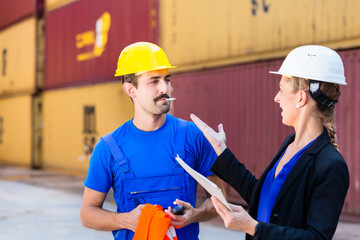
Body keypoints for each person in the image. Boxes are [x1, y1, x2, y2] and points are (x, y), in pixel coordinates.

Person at [190, 45, 350, 240]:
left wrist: (254, 228)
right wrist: (220, 149)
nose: (276, 98)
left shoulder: (331, 165)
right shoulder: (290, 144)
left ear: (301, 97)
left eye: (281, 90)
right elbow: (261, 196)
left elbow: (316, 237)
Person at [80, 42, 222, 240]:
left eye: (167, 79)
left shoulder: (193, 135)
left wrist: (195, 215)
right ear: (131, 89)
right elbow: (87, 214)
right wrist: (126, 220)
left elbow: (219, 198)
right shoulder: (109, 148)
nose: (165, 88)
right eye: (154, 81)